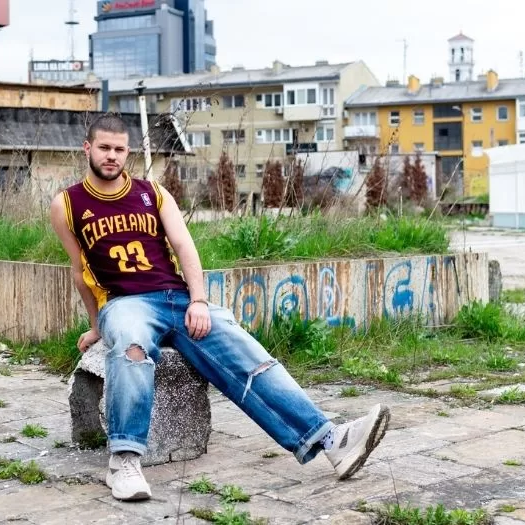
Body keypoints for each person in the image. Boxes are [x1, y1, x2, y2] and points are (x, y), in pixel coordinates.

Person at [49, 113, 390, 502]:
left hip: (176, 298)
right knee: (130, 344)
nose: (112, 156)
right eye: (104, 148)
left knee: (246, 353)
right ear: (87, 148)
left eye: (119, 149)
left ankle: (331, 441)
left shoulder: (153, 193)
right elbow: (80, 272)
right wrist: (97, 326)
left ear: (128, 152)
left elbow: (184, 247)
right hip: (125, 304)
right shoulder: (67, 204)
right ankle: (124, 461)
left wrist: (198, 301)